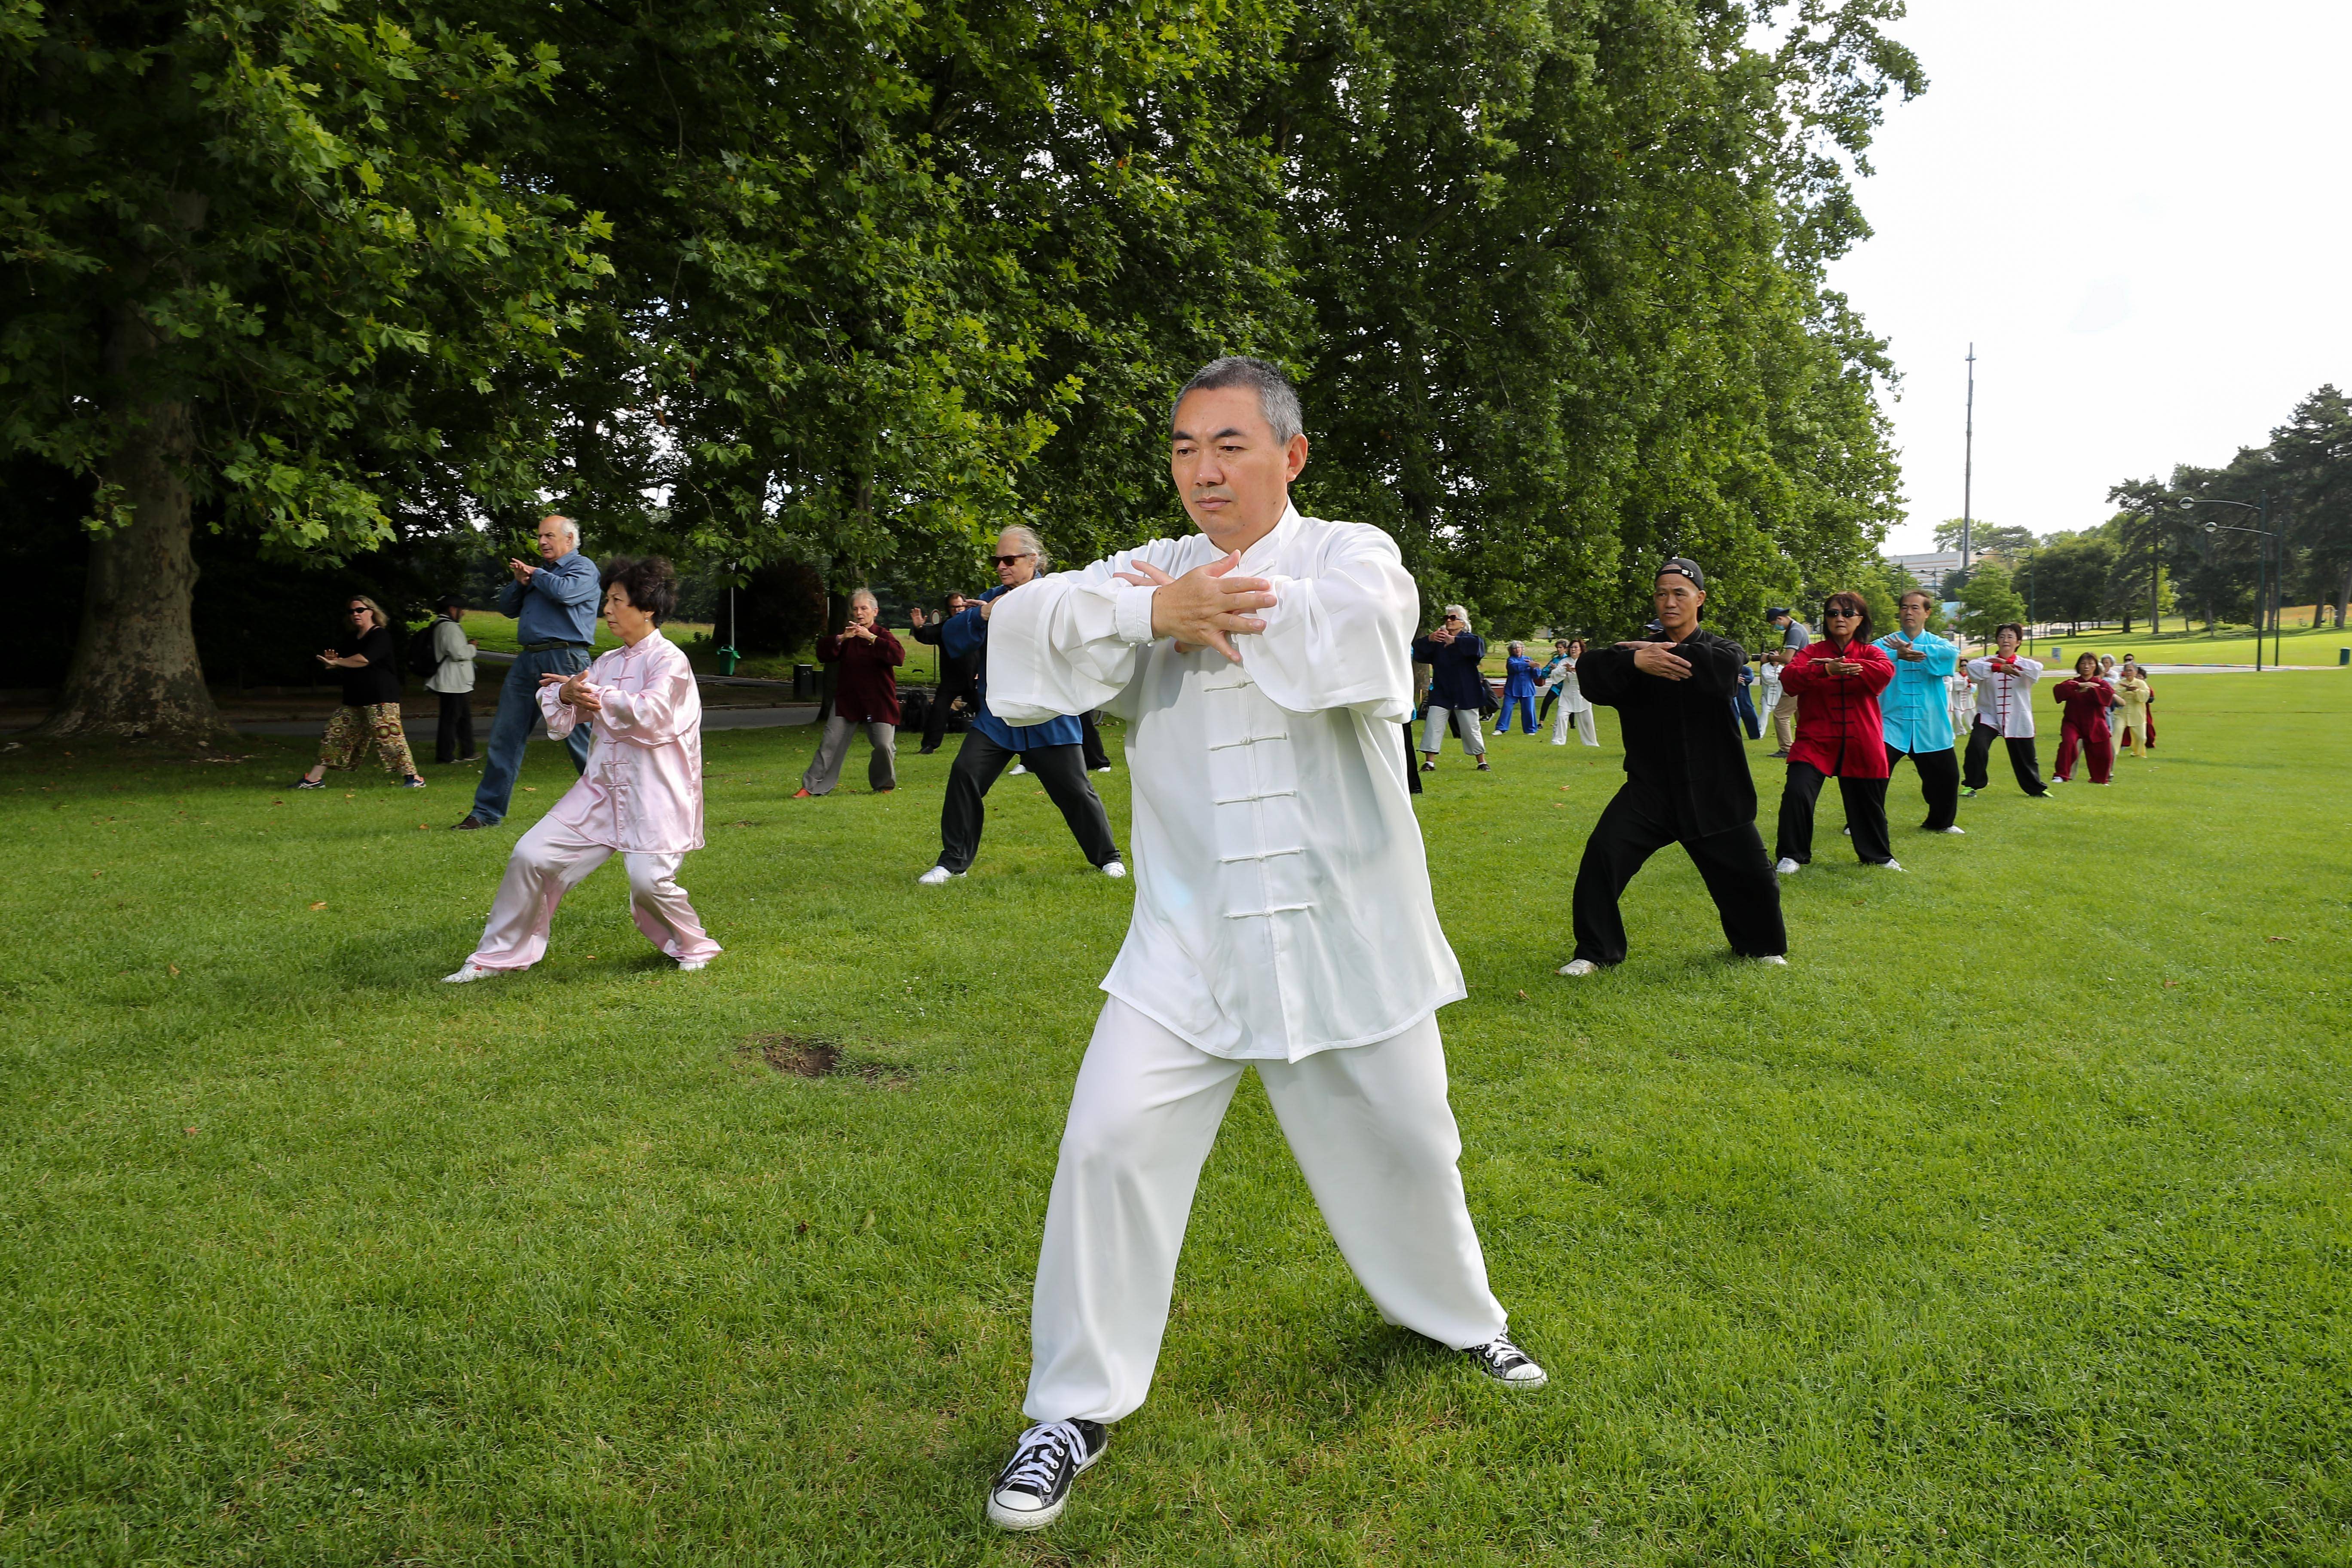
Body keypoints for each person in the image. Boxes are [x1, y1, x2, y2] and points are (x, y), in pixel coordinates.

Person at [974, 355, 1545, 1532]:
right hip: (1186, 944)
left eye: (1229, 445)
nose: (1203, 470)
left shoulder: (1351, 552)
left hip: (1349, 934)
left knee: (1409, 1141)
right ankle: (1070, 1411)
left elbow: (1368, 628)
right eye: (1185, 448)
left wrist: (1203, 615)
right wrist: (1149, 614)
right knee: (1108, 1146)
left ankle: (1461, 1322)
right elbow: (1026, 631)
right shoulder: (1152, 573)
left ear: (1289, 455)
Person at [444, 557, 721, 981]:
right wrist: (569, 695)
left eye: (616, 600)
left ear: (647, 608)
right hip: (600, 791)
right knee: (531, 855)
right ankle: (498, 957)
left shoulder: (671, 662)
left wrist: (589, 695)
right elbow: (563, 711)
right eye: (606, 600)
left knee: (649, 883)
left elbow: (653, 715)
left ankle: (693, 945)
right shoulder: (608, 662)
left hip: (655, 793)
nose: (607, 609)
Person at [1560, 559, 1788, 975]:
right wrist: (1634, 664)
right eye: (1662, 593)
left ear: (1699, 599)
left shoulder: (1724, 650)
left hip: (1715, 789)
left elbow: (1718, 672)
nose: (1670, 601)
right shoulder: (1633, 656)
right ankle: (1595, 951)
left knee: (1754, 877)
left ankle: (1761, 947)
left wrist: (1649, 656)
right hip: (1650, 791)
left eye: (1680, 593)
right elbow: (1592, 674)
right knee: (1602, 860)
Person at [920, 525, 1124, 884]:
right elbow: (952, 637)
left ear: (1034, 560)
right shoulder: (991, 598)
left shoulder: (1059, 594)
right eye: (997, 559)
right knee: (965, 773)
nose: (1001, 566)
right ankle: (953, 862)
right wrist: (983, 616)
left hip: (1050, 715)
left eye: (1010, 559)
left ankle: (1108, 857)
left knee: (1076, 790)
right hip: (999, 718)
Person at [453, 514, 600, 830]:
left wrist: (535, 575)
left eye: (549, 536)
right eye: (539, 537)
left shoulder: (583, 568)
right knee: (505, 737)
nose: (542, 542)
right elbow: (507, 608)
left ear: (569, 540)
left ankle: (615, 805)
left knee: (580, 740)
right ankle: (485, 814)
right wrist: (520, 583)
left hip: (565, 659)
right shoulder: (538, 574)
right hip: (527, 662)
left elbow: (566, 593)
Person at [1772, 593, 1899, 873]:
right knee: (1797, 791)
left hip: (1861, 739)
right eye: (1832, 613)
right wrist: (1825, 670)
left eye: (1847, 613)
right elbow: (1790, 680)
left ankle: (1878, 857)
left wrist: (1856, 667)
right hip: (1815, 739)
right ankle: (1792, 855)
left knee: (1869, 803)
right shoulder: (1813, 654)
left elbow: (1884, 674)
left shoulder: (1871, 653)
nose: (1839, 619)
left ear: (1860, 620)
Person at [295, 594, 425, 790]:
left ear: (371, 612)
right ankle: (314, 779)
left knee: (390, 739)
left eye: (360, 610)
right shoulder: (352, 638)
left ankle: (415, 779)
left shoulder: (380, 635)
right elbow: (351, 661)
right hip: (354, 699)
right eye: (352, 611)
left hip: (380, 698)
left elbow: (364, 660)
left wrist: (338, 662)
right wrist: (335, 664)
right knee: (335, 734)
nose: (355, 614)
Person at [797, 588, 904, 797]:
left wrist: (871, 638)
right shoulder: (848, 636)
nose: (859, 613)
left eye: (864, 608)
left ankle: (884, 784)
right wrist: (840, 638)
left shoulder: (883, 635)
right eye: (855, 609)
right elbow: (824, 653)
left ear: (875, 611)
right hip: (848, 699)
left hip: (879, 700)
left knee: (884, 745)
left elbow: (898, 657)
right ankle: (811, 787)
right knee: (830, 743)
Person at [1875, 589, 1964, 835]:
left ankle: (1941, 822)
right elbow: (1869, 659)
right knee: (1873, 774)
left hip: (1930, 724)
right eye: (1904, 607)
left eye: (1915, 608)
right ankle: (1862, 822)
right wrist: (1897, 653)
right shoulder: (1885, 643)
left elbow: (1950, 657)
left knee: (1947, 776)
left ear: (1927, 613)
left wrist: (1910, 650)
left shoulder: (1938, 642)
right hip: (1891, 723)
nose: (1909, 612)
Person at [1961, 624, 2049, 797]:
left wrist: (2010, 663)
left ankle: (2036, 789)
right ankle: (1971, 785)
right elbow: (1972, 669)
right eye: (2002, 636)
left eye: (2010, 636)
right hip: (1989, 715)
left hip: (2018, 716)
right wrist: (1997, 667)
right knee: (1976, 746)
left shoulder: (2026, 664)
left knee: (2026, 756)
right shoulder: (1985, 662)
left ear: (2018, 642)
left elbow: (2036, 670)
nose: (2006, 640)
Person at [1413, 605, 1489, 770]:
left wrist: (1454, 640)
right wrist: (1430, 639)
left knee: (1471, 727)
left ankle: (1482, 762)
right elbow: (1417, 651)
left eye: (1453, 618)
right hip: (1442, 691)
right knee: (1433, 724)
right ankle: (1429, 762)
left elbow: (1478, 648)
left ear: (1462, 623)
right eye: (1446, 618)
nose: (1449, 621)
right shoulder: (1438, 642)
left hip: (1466, 691)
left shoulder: (1470, 640)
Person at [909, 592, 981, 755]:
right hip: (951, 681)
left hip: (973, 680)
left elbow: (987, 649)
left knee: (986, 711)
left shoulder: (976, 626)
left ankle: (1001, 742)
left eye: (960, 606)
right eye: (953, 607)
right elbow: (927, 636)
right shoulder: (946, 628)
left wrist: (981, 671)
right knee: (938, 710)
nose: (957, 610)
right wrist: (919, 627)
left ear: (967, 606)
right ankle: (929, 745)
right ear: (948, 610)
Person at [426, 594, 479, 766]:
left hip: (456, 683)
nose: (462, 613)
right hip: (452, 683)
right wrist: (472, 647)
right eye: (460, 609)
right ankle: (445, 756)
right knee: (450, 721)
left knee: (463, 719)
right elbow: (459, 653)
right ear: (452, 609)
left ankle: (468, 751)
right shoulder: (449, 627)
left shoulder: (441, 625)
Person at [2050, 653, 2115, 785]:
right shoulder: (2072, 683)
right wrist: (2080, 686)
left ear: (2096, 667)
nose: (2087, 667)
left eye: (2091, 664)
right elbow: (2058, 691)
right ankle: (2061, 775)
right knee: (2068, 743)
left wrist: (2091, 689)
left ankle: (2101, 779)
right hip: (2073, 722)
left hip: (2095, 722)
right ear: (2078, 666)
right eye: (2083, 664)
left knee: (2104, 751)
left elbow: (2108, 697)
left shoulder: (2102, 684)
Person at [1763, 609, 1807, 756]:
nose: (1775, 626)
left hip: (1796, 677)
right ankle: (1804, 746)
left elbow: (1788, 658)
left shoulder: (1795, 630)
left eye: (1774, 623)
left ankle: (1786, 749)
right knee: (1800, 714)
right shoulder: (1797, 629)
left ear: (1780, 619)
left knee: (1781, 714)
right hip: (1802, 676)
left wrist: (1768, 658)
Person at [1547, 638, 1598, 747]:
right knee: (1561, 717)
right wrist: (1565, 670)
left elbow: (1593, 676)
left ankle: (1591, 743)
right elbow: (1555, 676)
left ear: (1581, 649)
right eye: (1572, 648)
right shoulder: (1564, 662)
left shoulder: (1586, 661)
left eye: (1576, 647)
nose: (1573, 650)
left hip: (1583, 695)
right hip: (1567, 695)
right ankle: (1558, 741)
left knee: (1587, 721)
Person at [1494, 641, 1540, 735]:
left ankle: (1530, 730)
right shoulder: (1511, 660)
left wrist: (1534, 668)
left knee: (1529, 710)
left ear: (1522, 649)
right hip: (1512, 689)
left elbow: (1537, 675)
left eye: (1519, 648)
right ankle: (1501, 729)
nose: (1518, 649)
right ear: (1512, 650)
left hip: (1527, 689)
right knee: (1507, 708)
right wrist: (1528, 665)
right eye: (1515, 648)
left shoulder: (1529, 659)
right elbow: (1514, 668)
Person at [2113, 659, 2153, 757]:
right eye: (2127, 670)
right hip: (2121, 714)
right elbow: (2114, 694)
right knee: (2116, 733)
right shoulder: (2119, 683)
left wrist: (2136, 690)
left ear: (2135, 672)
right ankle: (2113, 753)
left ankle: (2138, 753)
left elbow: (2145, 697)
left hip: (2137, 714)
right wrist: (2125, 689)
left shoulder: (2141, 683)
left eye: (2131, 670)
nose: (2129, 673)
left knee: (2141, 737)